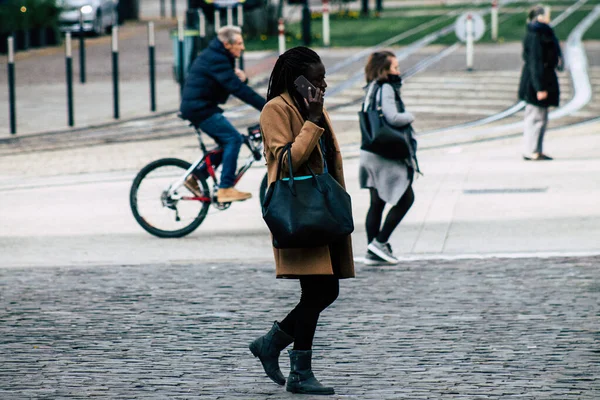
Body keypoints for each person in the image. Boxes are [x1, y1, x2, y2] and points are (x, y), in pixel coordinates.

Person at [249, 47, 354, 396]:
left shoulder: (307, 105)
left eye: (324, 76)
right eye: (316, 78)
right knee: (318, 290)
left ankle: (272, 343)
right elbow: (286, 161)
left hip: (322, 208)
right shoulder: (276, 109)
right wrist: (312, 119)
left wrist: (313, 114)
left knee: (325, 289)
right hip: (301, 211)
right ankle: (298, 371)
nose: (323, 83)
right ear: (296, 79)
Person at [180, 26, 266, 202]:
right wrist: (268, 108)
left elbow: (230, 84)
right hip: (199, 108)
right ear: (227, 44)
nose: (242, 48)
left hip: (201, 106)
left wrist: (243, 80)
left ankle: (196, 178)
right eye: (239, 44)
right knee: (233, 139)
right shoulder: (217, 59)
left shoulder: (219, 56)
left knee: (227, 142)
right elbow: (238, 90)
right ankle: (225, 188)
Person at [360, 51, 417, 265]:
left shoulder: (371, 87)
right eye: (395, 68)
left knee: (376, 202)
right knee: (406, 198)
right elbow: (393, 117)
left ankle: (372, 251)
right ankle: (379, 243)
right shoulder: (385, 88)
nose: (398, 71)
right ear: (383, 70)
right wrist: (410, 116)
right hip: (383, 154)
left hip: (369, 151)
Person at [518, 5, 563, 161]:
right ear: (540, 17)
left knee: (541, 117)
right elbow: (535, 62)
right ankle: (530, 150)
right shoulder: (536, 34)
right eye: (547, 14)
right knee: (535, 117)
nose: (549, 17)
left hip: (542, 79)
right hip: (535, 82)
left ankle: (536, 149)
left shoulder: (542, 31)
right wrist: (540, 87)